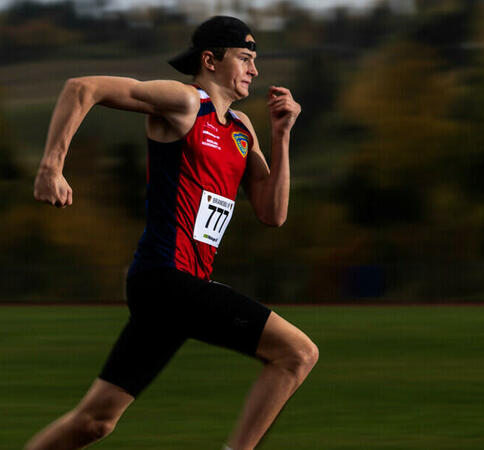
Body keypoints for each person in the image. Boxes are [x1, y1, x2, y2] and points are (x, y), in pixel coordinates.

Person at [27, 16, 318, 450]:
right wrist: (51, 167)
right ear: (210, 60)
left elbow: (272, 214)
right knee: (297, 354)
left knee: (94, 422)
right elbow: (80, 88)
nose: (255, 70)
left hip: (174, 289)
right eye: (245, 58)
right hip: (165, 277)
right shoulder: (184, 102)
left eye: (255, 60)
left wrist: (282, 135)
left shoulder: (242, 130)